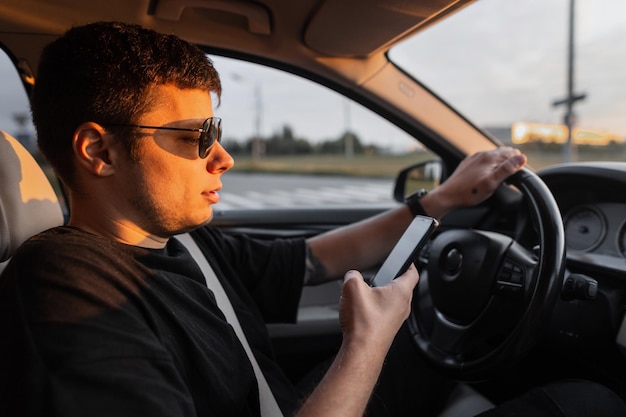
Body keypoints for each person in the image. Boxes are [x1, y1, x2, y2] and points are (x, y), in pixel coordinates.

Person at [0, 21, 624, 417]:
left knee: (424, 333)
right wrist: (363, 345)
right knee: (591, 400)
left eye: (216, 131)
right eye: (194, 137)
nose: (224, 156)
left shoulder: (180, 241)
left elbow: (311, 259)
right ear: (99, 151)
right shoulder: (63, 290)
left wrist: (438, 202)